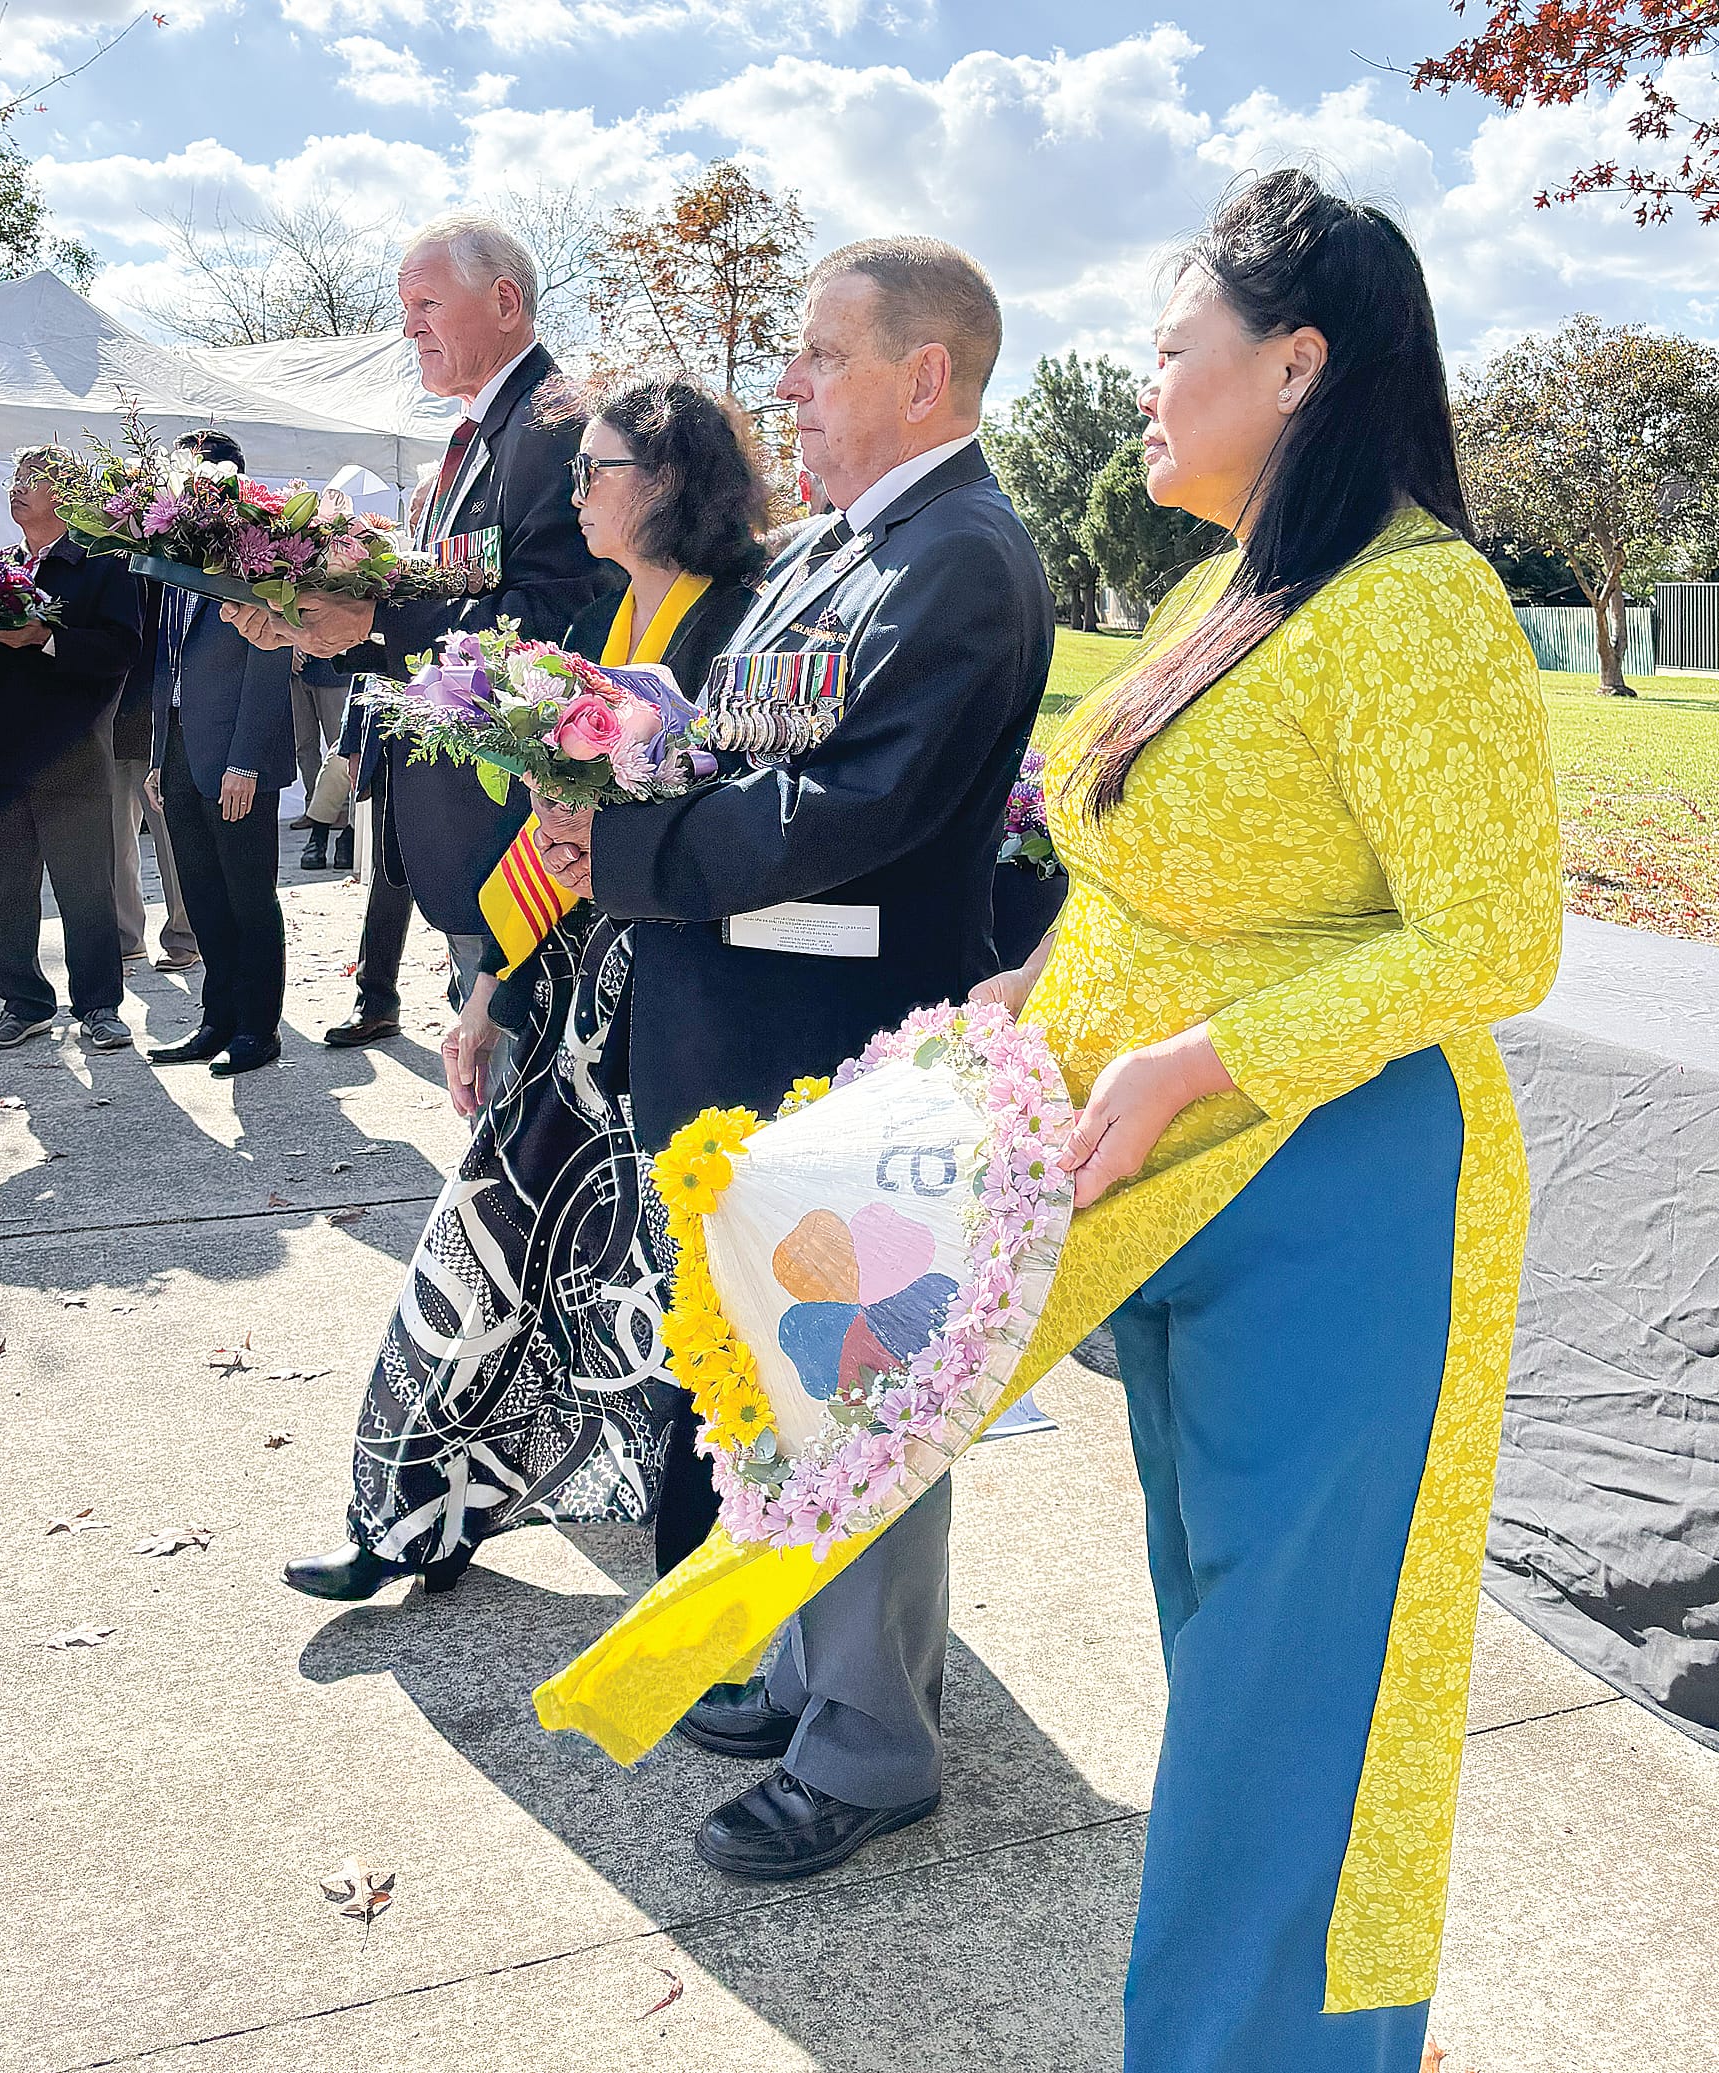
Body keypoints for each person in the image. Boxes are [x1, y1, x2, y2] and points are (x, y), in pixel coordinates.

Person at [965, 171, 1560, 2068]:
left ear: (1293, 362)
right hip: (1175, 1196)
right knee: (1226, 1653)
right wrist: (1034, 997)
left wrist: (1196, 1059)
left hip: (1341, 1197)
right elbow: (1170, 875)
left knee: (1289, 1713)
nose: (1139, 385)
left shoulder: (1417, 602)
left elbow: (1494, 937)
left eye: (1166, 350)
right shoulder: (1238, 591)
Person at [534, 238, 1054, 1880]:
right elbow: (746, 741)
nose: (790, 388)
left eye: (821, 358)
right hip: (744, 1035)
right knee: (789, 1391)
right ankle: (825, 1669)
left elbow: (847, 806)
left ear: (923, 376)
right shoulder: (845, 545)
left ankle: (870, 1747)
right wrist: (623, 756)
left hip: (840, 1047)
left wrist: (623, 858)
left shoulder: (959, 553)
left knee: (850, 1399)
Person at [281, 374, 765, 1603]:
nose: (574, 490)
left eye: (596, 469)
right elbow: (561, 819)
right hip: (574, 993)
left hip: (681, 1013)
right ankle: (400, 1518)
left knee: (648, 1305)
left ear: (660, 483)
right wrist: (489, 989)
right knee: (479, 1246)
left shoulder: (739, 626)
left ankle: (705, 1580)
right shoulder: (610, 626)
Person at [224, 212, 613, 1048]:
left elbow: (562, 623)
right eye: (407, 308)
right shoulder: (479, 433)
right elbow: (439, 606)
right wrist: (331, 627)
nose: (408, 327)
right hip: (460, 833)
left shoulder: (552, 430)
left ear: (505, 301)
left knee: (519, 1095)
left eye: (427, 303)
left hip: (516, 842)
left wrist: (372, 618)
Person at [0, 447, 142, 1051]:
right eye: (14, 479)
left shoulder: (100, 564)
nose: (17, 490)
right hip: (2, 751)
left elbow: (120, 650)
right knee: (4, 887)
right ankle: (21, 1001)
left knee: (84, 886)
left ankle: (100, 1006)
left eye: (34, 480)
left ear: (69, 492)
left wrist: (47, 639)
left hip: (73, 750)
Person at [145, 429, 297, 1077]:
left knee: (247, 895)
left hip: (237, 755)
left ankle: (258, 1029)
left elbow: (268, 662)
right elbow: (166, 661)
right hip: (179, 748)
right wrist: (158, 754)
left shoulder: (253, 556)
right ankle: (217, 1020)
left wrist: (246, 762)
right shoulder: (170, 555)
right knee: (202, 895)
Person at [110, 577, 198, 973]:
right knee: (114, 837)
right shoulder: (100, 560)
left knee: (171, 836)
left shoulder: (162, 564)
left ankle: (185, 934)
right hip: (109, 715)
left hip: (157, 712)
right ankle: (125, 936)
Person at [287, 656, 352, 872]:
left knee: (341, 751)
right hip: (297, 670)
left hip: (334, 670)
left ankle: (343, 817)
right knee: (304, 746)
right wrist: (291, 646)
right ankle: (313, 811)